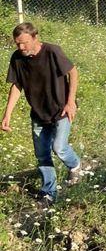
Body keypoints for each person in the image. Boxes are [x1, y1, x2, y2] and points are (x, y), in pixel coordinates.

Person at [1, 21, 83, 203]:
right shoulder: (17, 58)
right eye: (17, 43)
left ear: (35, 38)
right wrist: (7, 114)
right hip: (38, 113)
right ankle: (49, 193)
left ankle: (75, 165)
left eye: (24, 42)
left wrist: (71, 102)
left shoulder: (52, 51)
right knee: (42, 155)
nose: (21, 47)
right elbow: (17, 86)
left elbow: (73, 72)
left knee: (59, 147)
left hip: (61, 109)